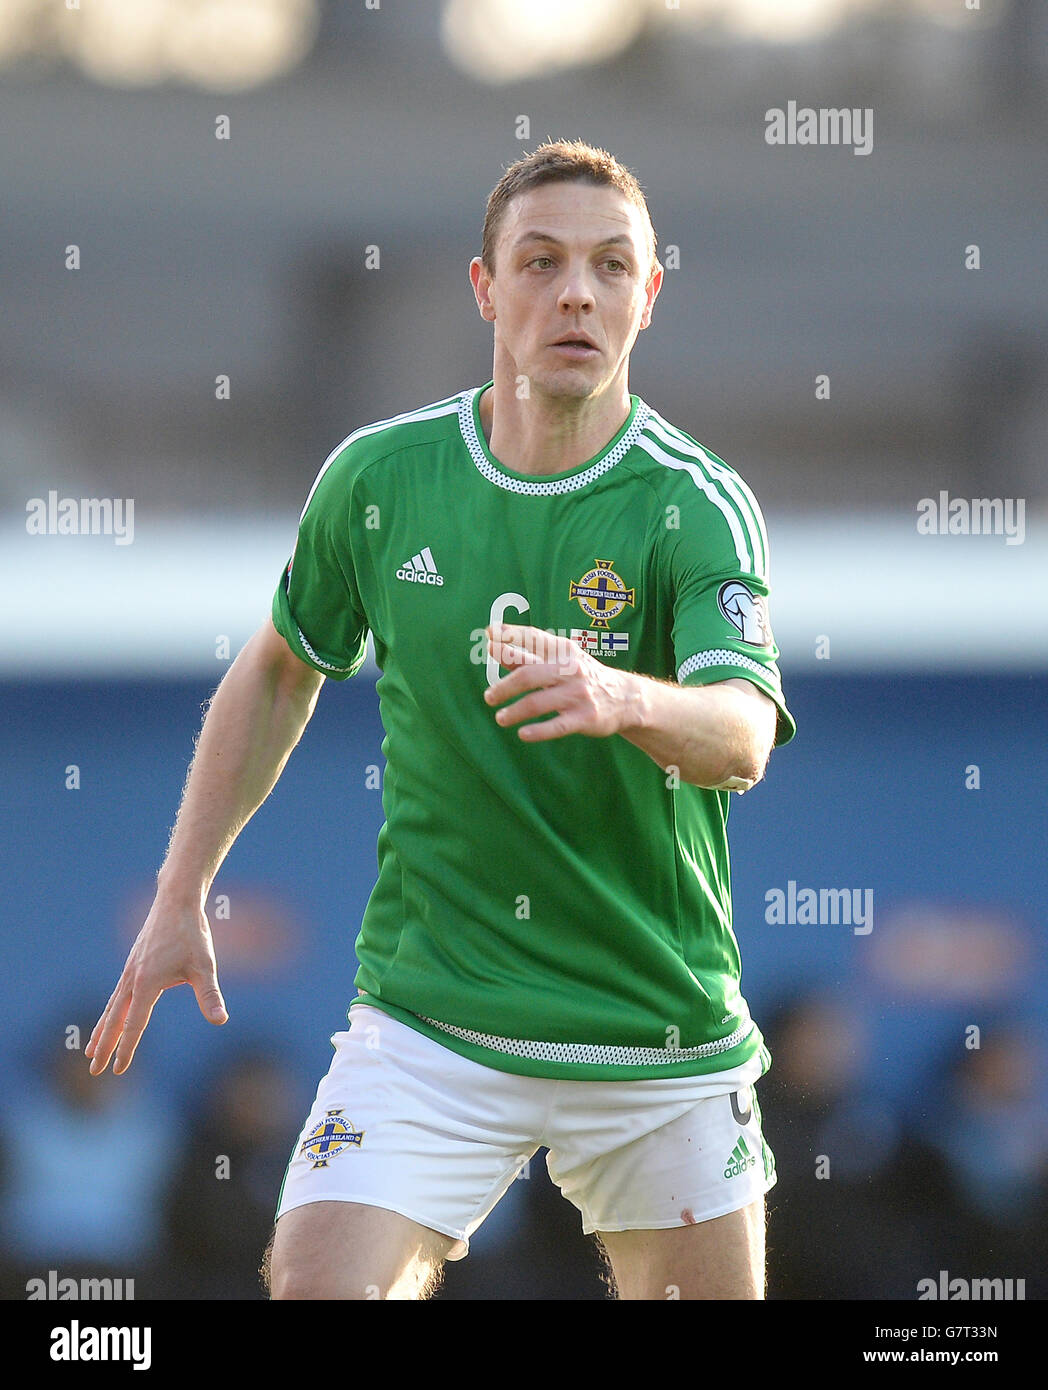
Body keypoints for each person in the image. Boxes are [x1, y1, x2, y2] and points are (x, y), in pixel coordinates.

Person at [87, 139, 795, 1301]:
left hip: (654, 1026)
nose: (577, 291)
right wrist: (180, 893)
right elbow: (278, 668)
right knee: (319, 1287)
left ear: (649, 295)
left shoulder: (693, 505)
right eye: (542, 261)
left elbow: (741, 732)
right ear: (486, 288)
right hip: (433, 1021)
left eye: (612, 266)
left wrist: (619, 697)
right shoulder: (379, 478)